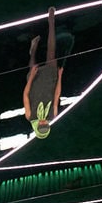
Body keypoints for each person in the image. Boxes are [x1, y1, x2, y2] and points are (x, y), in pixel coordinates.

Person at [23, 7, 68, 139]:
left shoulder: (30, 116)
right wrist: (60, 77)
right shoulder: (52, 115)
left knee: (33, 64)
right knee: (51, 53)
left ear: (36, 127)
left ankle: (33, 50)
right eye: (45, 125)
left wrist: (31, 77)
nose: (43, 123)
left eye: (40, 126)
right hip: (50, 82)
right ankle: (51, 21)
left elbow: (25, 95)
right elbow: (57, 95)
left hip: (35, 86)